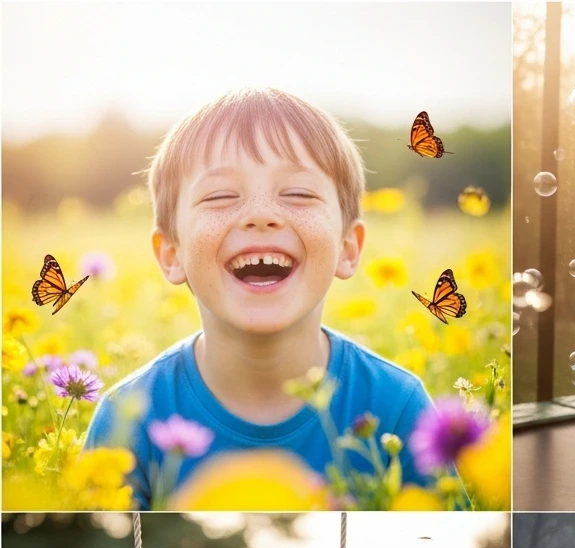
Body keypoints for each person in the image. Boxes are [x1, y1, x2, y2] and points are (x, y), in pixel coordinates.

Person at [85, 86, 435, 509]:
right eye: (220, 196)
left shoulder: (398, 407)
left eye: (299, 193)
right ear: (171, 254)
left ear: (348, 247)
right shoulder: (127, 420)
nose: (261, 215)